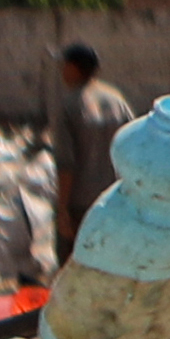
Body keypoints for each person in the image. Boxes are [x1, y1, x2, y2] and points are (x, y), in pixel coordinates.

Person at [47, 43, 126, 255]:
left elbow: (66, 163)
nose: (62, 70)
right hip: (114, 201)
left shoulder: (70, 105)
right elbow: (133, 149)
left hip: (80, 205)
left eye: (64, 65)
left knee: (74, 270)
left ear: (73, 68)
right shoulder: (117, 101)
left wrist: (63, 210)